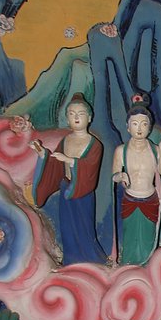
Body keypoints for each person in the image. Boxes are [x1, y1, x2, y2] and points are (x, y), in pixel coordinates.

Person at [31, 93, 107, 266]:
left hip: (82, 191)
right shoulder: (65, 140)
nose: (76, 117)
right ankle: (71, 259)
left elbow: (90, 166)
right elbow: (55, 164)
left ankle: (91, 258)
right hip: (66, 188)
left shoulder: (94, 144)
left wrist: (70, 160)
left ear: (89, 117)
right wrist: (42, 154)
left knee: (83, 225)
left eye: (81, 114)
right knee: (67, 226)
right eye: (72, 114)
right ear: (67, 119)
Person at [111, 93, 161, 266]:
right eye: (135, 124)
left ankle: (146, 264)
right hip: (130, 198)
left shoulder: (154, 149)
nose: (139, 128)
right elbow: (114, 175)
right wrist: (120, 176)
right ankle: (129, 263)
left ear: (150, 128)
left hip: (149, 199)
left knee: (147, 235)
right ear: (127, 127)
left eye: (144, 124)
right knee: (130, 234)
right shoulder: (121, 151)